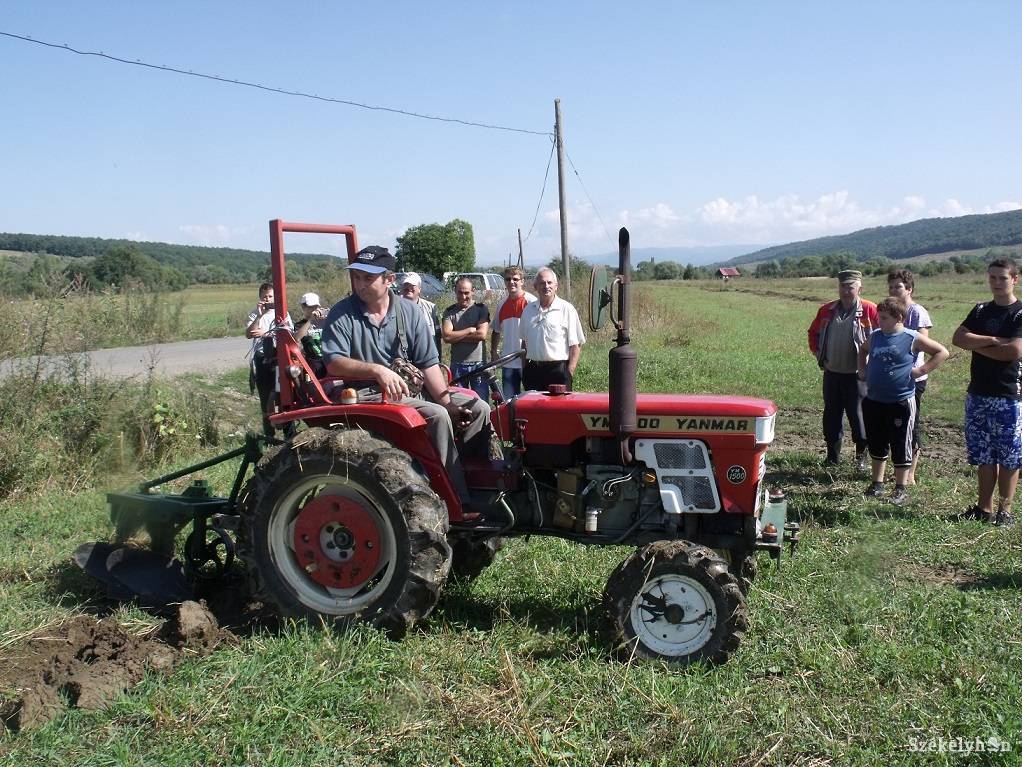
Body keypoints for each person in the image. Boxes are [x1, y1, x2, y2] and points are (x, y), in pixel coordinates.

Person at [319, 246, 491, 515]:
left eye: (368, 278)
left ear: (389, 280)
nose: (360, 284)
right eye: (356, 277)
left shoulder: (408, 312)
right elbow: (334, 361)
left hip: (408, 388)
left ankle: (482, 485)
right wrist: (377, 371)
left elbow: (429, 364)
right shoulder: (342, 314)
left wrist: (450, 403)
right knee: (436, 416)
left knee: (478, 407)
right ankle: (457, 500)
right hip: (367, 393)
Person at [951, 258, 1022, 526]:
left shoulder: (1020, 313)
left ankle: (1005, 510)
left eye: (1002, 278)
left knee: (1009, 456)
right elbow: (958, 338)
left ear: (1015, 279)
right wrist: (992, 341)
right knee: (984, 454)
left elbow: (1014, 351)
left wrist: (975, 345)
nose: (996, 282)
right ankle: (984, 508)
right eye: (992, 277)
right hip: (978, 393)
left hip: (1008, 395)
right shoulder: (981, 310)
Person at [857, 298, 948, 504]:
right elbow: (862, 351)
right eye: (878, 317)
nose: (879, 321)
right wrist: (862, 370)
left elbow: (942, 352)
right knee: (877, 440)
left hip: (900, 401)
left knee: (900, 442)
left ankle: (900, 487)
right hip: (874, 399)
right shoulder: (876, 336)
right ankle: (877, 483)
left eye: (884, 318)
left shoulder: (911, 337)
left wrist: (922, 370)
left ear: (899, 318)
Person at [807, 269, 879, 468]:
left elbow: (884, 335)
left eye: (851, 287)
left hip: (858, 375)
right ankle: (832, 456)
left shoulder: (870, 309)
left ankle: (861, 457)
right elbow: (813, 333)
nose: (846, 291)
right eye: (843, 286)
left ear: (859, 288)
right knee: (831, 414)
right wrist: (818, 353)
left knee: (859, 415)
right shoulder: (827, 310)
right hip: (832, 373)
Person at [887, 269, 933, 484]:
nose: (893, 290)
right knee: (893, 424)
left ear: (909, 289)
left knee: (910, 424)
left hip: (912, 379)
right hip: (891, 379)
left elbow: (921, 344)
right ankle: (897, 468)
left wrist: (914, 371)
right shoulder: (890, 311)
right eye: (891, 287)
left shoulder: (917, 312)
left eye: (898, 286)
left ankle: (910, 473)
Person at [519, 267, 586, 391]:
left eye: (549, 283)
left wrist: (569, 372)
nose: (546, 286)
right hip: (533, 371)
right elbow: (524, 343)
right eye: (542, 283)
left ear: (556, 286)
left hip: (558, 372)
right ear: (535, 286)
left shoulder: (567, 309)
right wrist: (524, 370)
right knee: (534, 410)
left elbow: (575, 345)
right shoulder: (528, 310)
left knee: (559, 410)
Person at [246, 282, 292, 436]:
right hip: (261, 357)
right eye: (264, 297)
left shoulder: (282, 312)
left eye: (270, 296)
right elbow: (249, 333)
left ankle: (288, 434)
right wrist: (259, 315)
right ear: (260, 298)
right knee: (265, 398)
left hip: (279, 357)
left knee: (284, 395)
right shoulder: (255, 313)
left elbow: (289, 332)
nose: (267, 299)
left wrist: (266, 333)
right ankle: (269, 436)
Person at [490, 266, 537, 400]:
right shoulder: (502, 304)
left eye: (515, 279)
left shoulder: (531, 302)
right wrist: (493, 351)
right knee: (509, 403)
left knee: (531, 401)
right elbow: (496, 330)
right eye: (508, 279)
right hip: (508, 362)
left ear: (522, 281)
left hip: (529, 362)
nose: (512, 282)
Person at [442, 277, 491, 401]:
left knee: (481, 402)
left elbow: (481, 335)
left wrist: (456, 336)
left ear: (473, 291)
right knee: (459, 403)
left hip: (478, 364)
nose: (463, 296)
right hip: (457, 365)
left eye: (466, 293)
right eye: (460, 292)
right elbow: (447, 336)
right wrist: (469, 330)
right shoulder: (450, 312)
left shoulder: (481, 309)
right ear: (455, 291)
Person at [399, 272, 441, 355]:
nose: (409, 288)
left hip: (426, 356)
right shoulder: (394, 307)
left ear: (419, 288)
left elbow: (437, 336)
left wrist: (438, 360)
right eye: (406, 284)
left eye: (412, 285)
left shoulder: (431, 308)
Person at [294, 292, 328, 376]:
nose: (314, 309)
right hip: (313, 362)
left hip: (328, 359)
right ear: (303, 307)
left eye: (316, 306)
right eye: (310, 307)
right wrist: (311, 320)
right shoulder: (300, 325)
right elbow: (297, 338)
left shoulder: (325, 321)